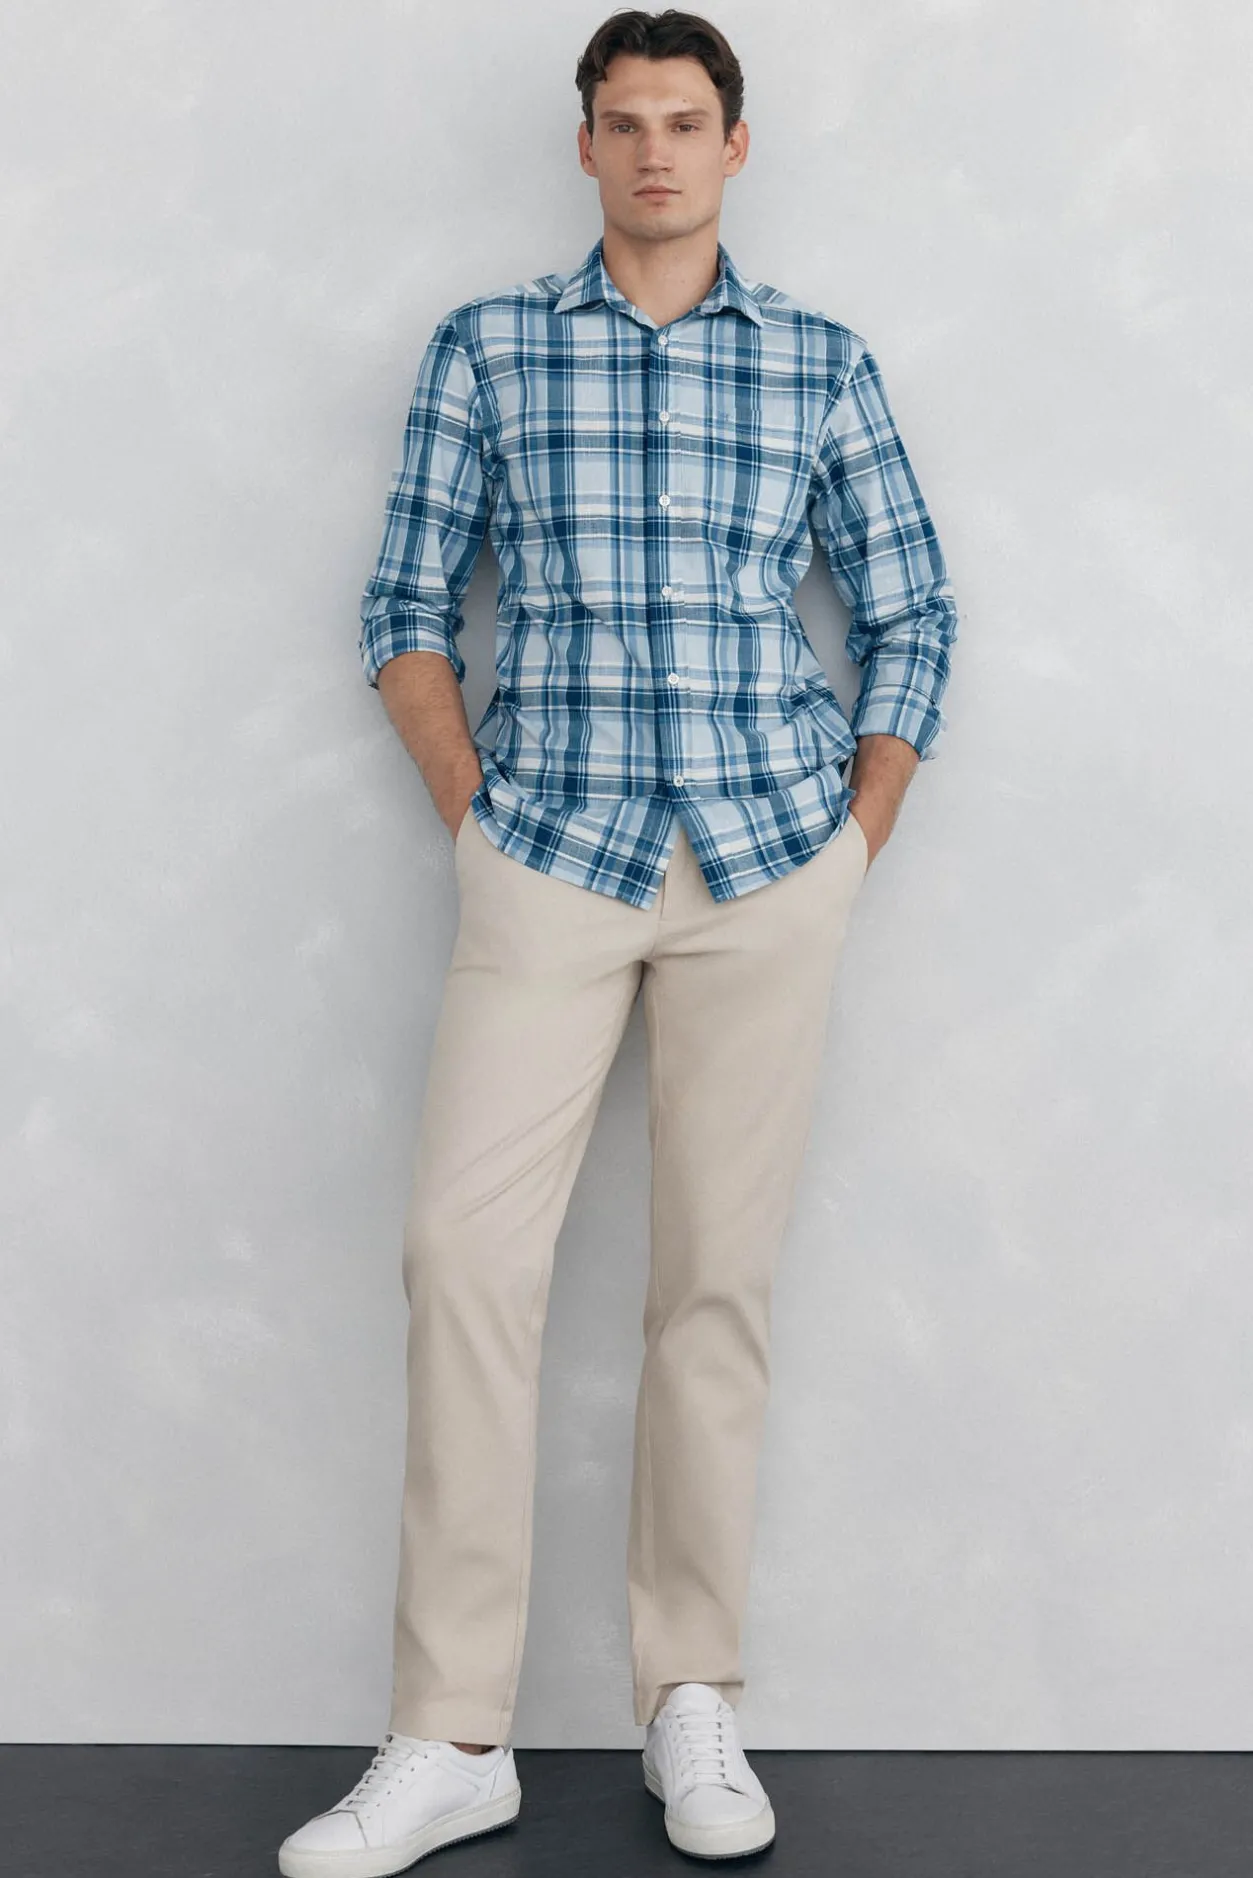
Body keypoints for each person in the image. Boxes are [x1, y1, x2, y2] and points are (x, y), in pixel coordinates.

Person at [279, 8, 958, 1872]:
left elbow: (911, 610)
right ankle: (452, 1732)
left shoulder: (820, 363)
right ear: (583, 146)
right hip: (552, 854)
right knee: (463, 1256)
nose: (655, 150)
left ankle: (691, 1696)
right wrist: (471, 809)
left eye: (685, 120)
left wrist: (855, 840)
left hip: (768, 858)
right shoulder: (489, 348)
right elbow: (406, 600)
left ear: (737, 144)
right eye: (624, 121)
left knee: (713, 1282)